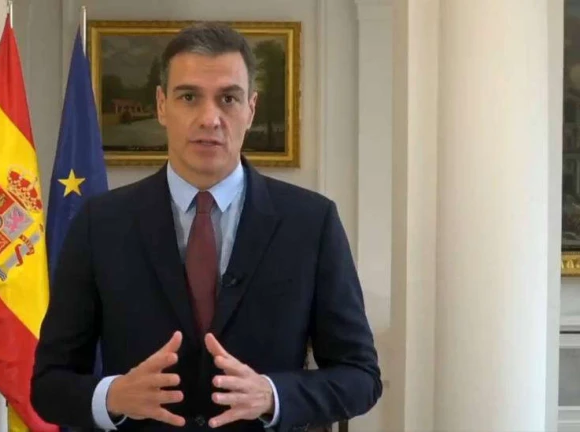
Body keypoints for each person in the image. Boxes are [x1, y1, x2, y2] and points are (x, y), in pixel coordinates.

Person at [31, 22, 382, 432]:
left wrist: (272, 395)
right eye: (189, 97)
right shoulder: (100, 224)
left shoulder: (311, 223)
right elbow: (48, 384)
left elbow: (360, 377)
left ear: (251, 109)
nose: (210, 118)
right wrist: (112, 397)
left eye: (228, 98)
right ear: (162, 105)